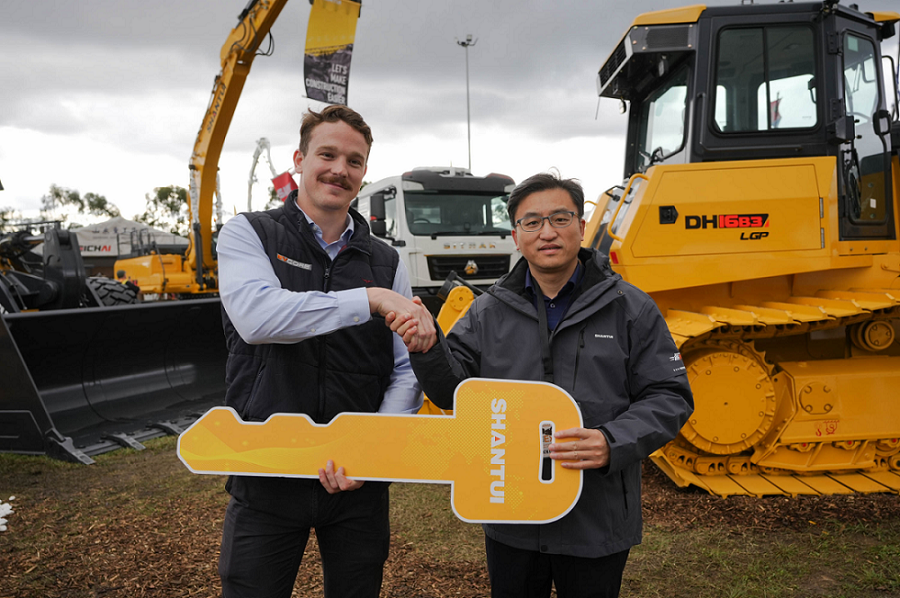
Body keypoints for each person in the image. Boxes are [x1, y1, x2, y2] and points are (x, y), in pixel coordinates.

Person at [390, 172, 693, 598]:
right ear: (517, 236)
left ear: (581, 227)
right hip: (511, 512)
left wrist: (613, 441)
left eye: (560, 218)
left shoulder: (631, 309)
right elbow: (452, 392)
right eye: (531, 222)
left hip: (597, 517)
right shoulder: (487, 313)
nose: (547, 232)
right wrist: (427, 349)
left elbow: (670, 395)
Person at [215, 104, 435, 598]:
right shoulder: (250, 233)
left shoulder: (386, 260)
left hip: (356, 480)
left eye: (354, 161)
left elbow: (406, 370)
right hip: (267, 467)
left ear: (364, 172)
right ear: (299, 160)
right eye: (327, 154)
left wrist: (371, 449)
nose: (340, 169)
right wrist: (369, 300)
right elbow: (258, 318)